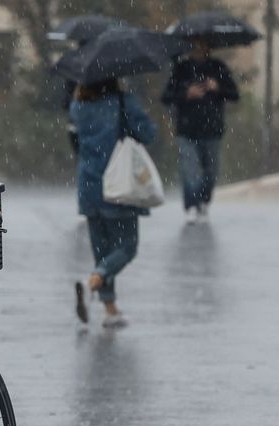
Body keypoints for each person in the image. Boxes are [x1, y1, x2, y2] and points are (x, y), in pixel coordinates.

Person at [70, 78, 157, 328]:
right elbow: (148, 134)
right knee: (127, 247)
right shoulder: (122, 102)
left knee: (103, 250)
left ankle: (110, 310)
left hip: (88, 186)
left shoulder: (78, 107)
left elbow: (76, 142)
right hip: (117, 184)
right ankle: (92, 283)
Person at [161, 37, 239, 224]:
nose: (198, 48)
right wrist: (186, 94)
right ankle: (191, 205)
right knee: (189, 170)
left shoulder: (218, 67)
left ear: (208, 46)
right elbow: (167, 97)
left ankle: (204, 200)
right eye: (195, 45)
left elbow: (234, 94)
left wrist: (218, 88)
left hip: (212, 130)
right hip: (186, 130)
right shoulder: (181, 69)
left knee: (211, 171)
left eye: (202, 44)